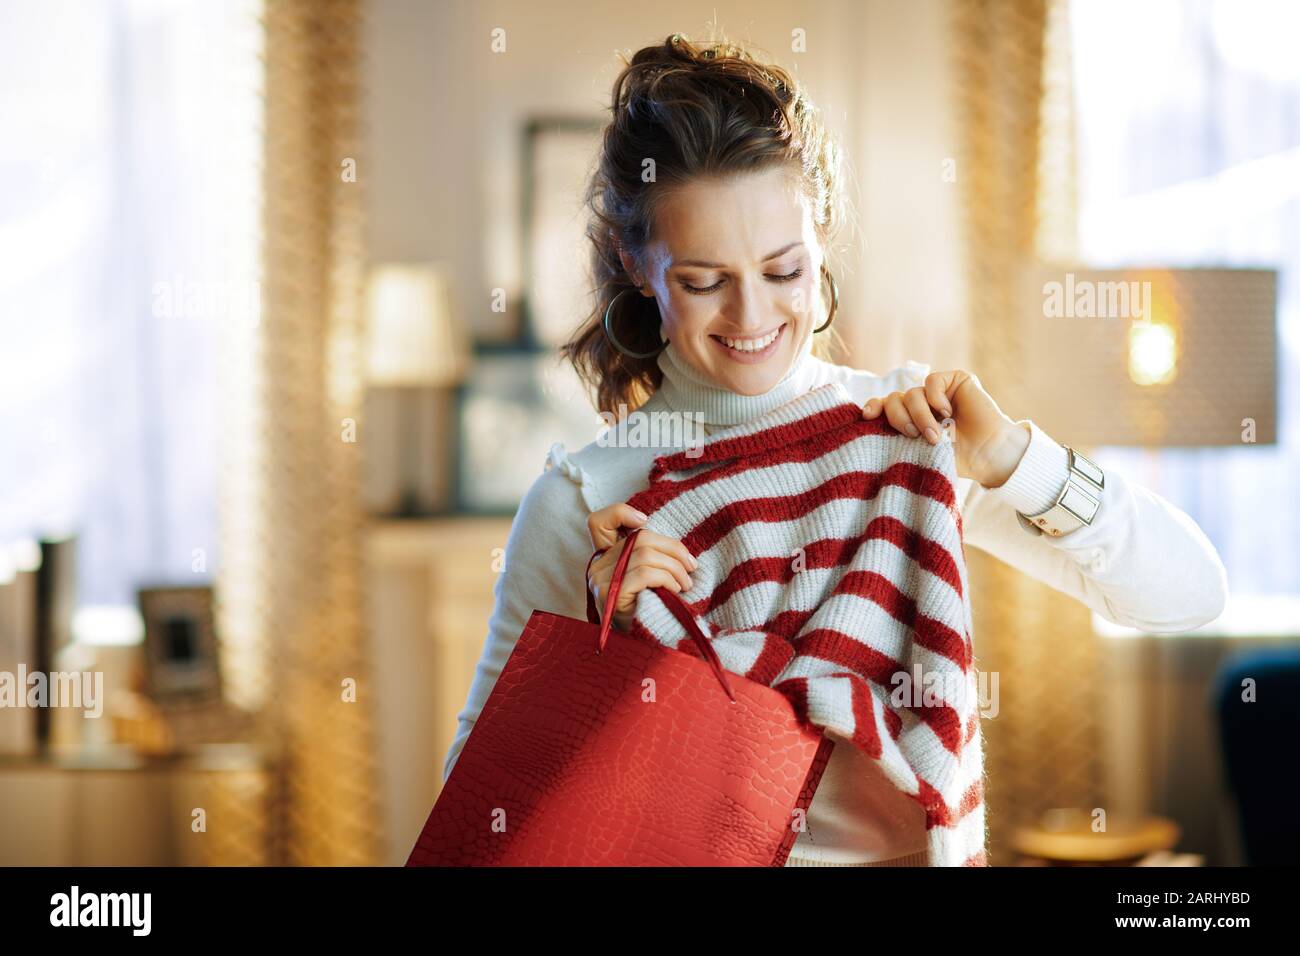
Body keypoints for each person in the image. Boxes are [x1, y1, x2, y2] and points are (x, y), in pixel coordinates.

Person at [442, 33, 1229, 866]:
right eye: (703, 282)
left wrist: (1013, 461)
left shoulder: (901, 436)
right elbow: (484, 824)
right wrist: (613, 656)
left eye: (784, 271)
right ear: (640, 267)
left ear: (822, 241)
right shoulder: (586, 499)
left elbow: (1189, 594)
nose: (751, 318)